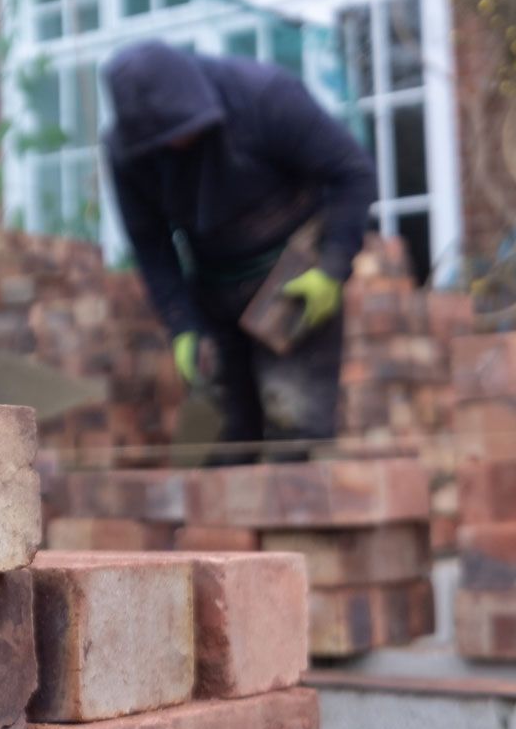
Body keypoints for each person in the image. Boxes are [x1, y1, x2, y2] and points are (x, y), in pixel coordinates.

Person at [104, 40, 377, 462]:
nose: (178, 146)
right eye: (165, 141)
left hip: (292, 278)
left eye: (184, 132)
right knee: (224, 447)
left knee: (295, 434)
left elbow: (352, 173)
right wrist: (182, 325)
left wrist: (332, 267)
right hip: (213, 284)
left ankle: (300, 525)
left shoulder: (263, 95)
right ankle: (226, 530)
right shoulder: (126, 153)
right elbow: (151, 247)